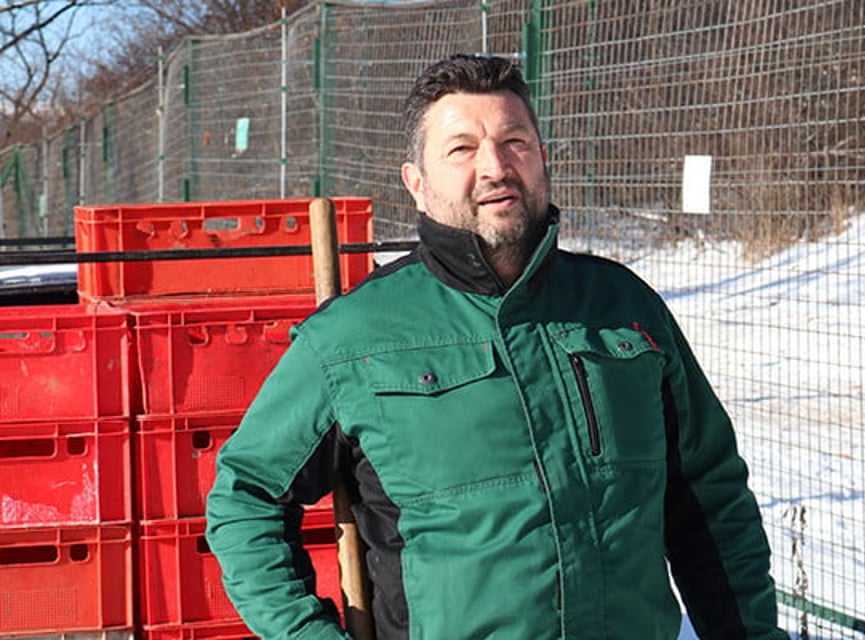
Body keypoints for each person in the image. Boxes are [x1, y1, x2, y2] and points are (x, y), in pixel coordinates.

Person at [205, 53, 787, 640]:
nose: (496, 166)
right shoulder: (353, 338)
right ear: (417, 183)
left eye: (515, 142)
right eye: (461, 148)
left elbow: (711, 497)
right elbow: (245, 498)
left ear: (543, 159)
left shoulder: (623, 308)